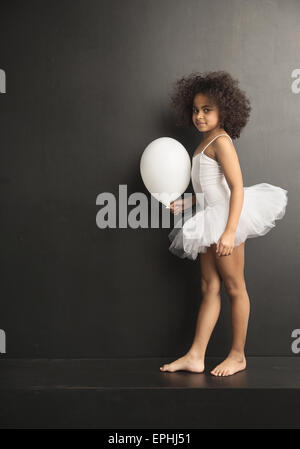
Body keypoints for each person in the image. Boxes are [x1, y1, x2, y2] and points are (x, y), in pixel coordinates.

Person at [160, 71, 288, 376]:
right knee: (209, 286)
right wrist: (189, 202)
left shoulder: (221, 141)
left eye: (207, 110)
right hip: (209, 218)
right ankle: (196, 355)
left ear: (224, 111)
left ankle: (238, 355)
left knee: (233, 286)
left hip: (226, 220)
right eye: (195, 110)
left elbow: (237, 188)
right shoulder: (205, 143)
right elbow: (212, 187)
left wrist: (230, 231)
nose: (200, 116)